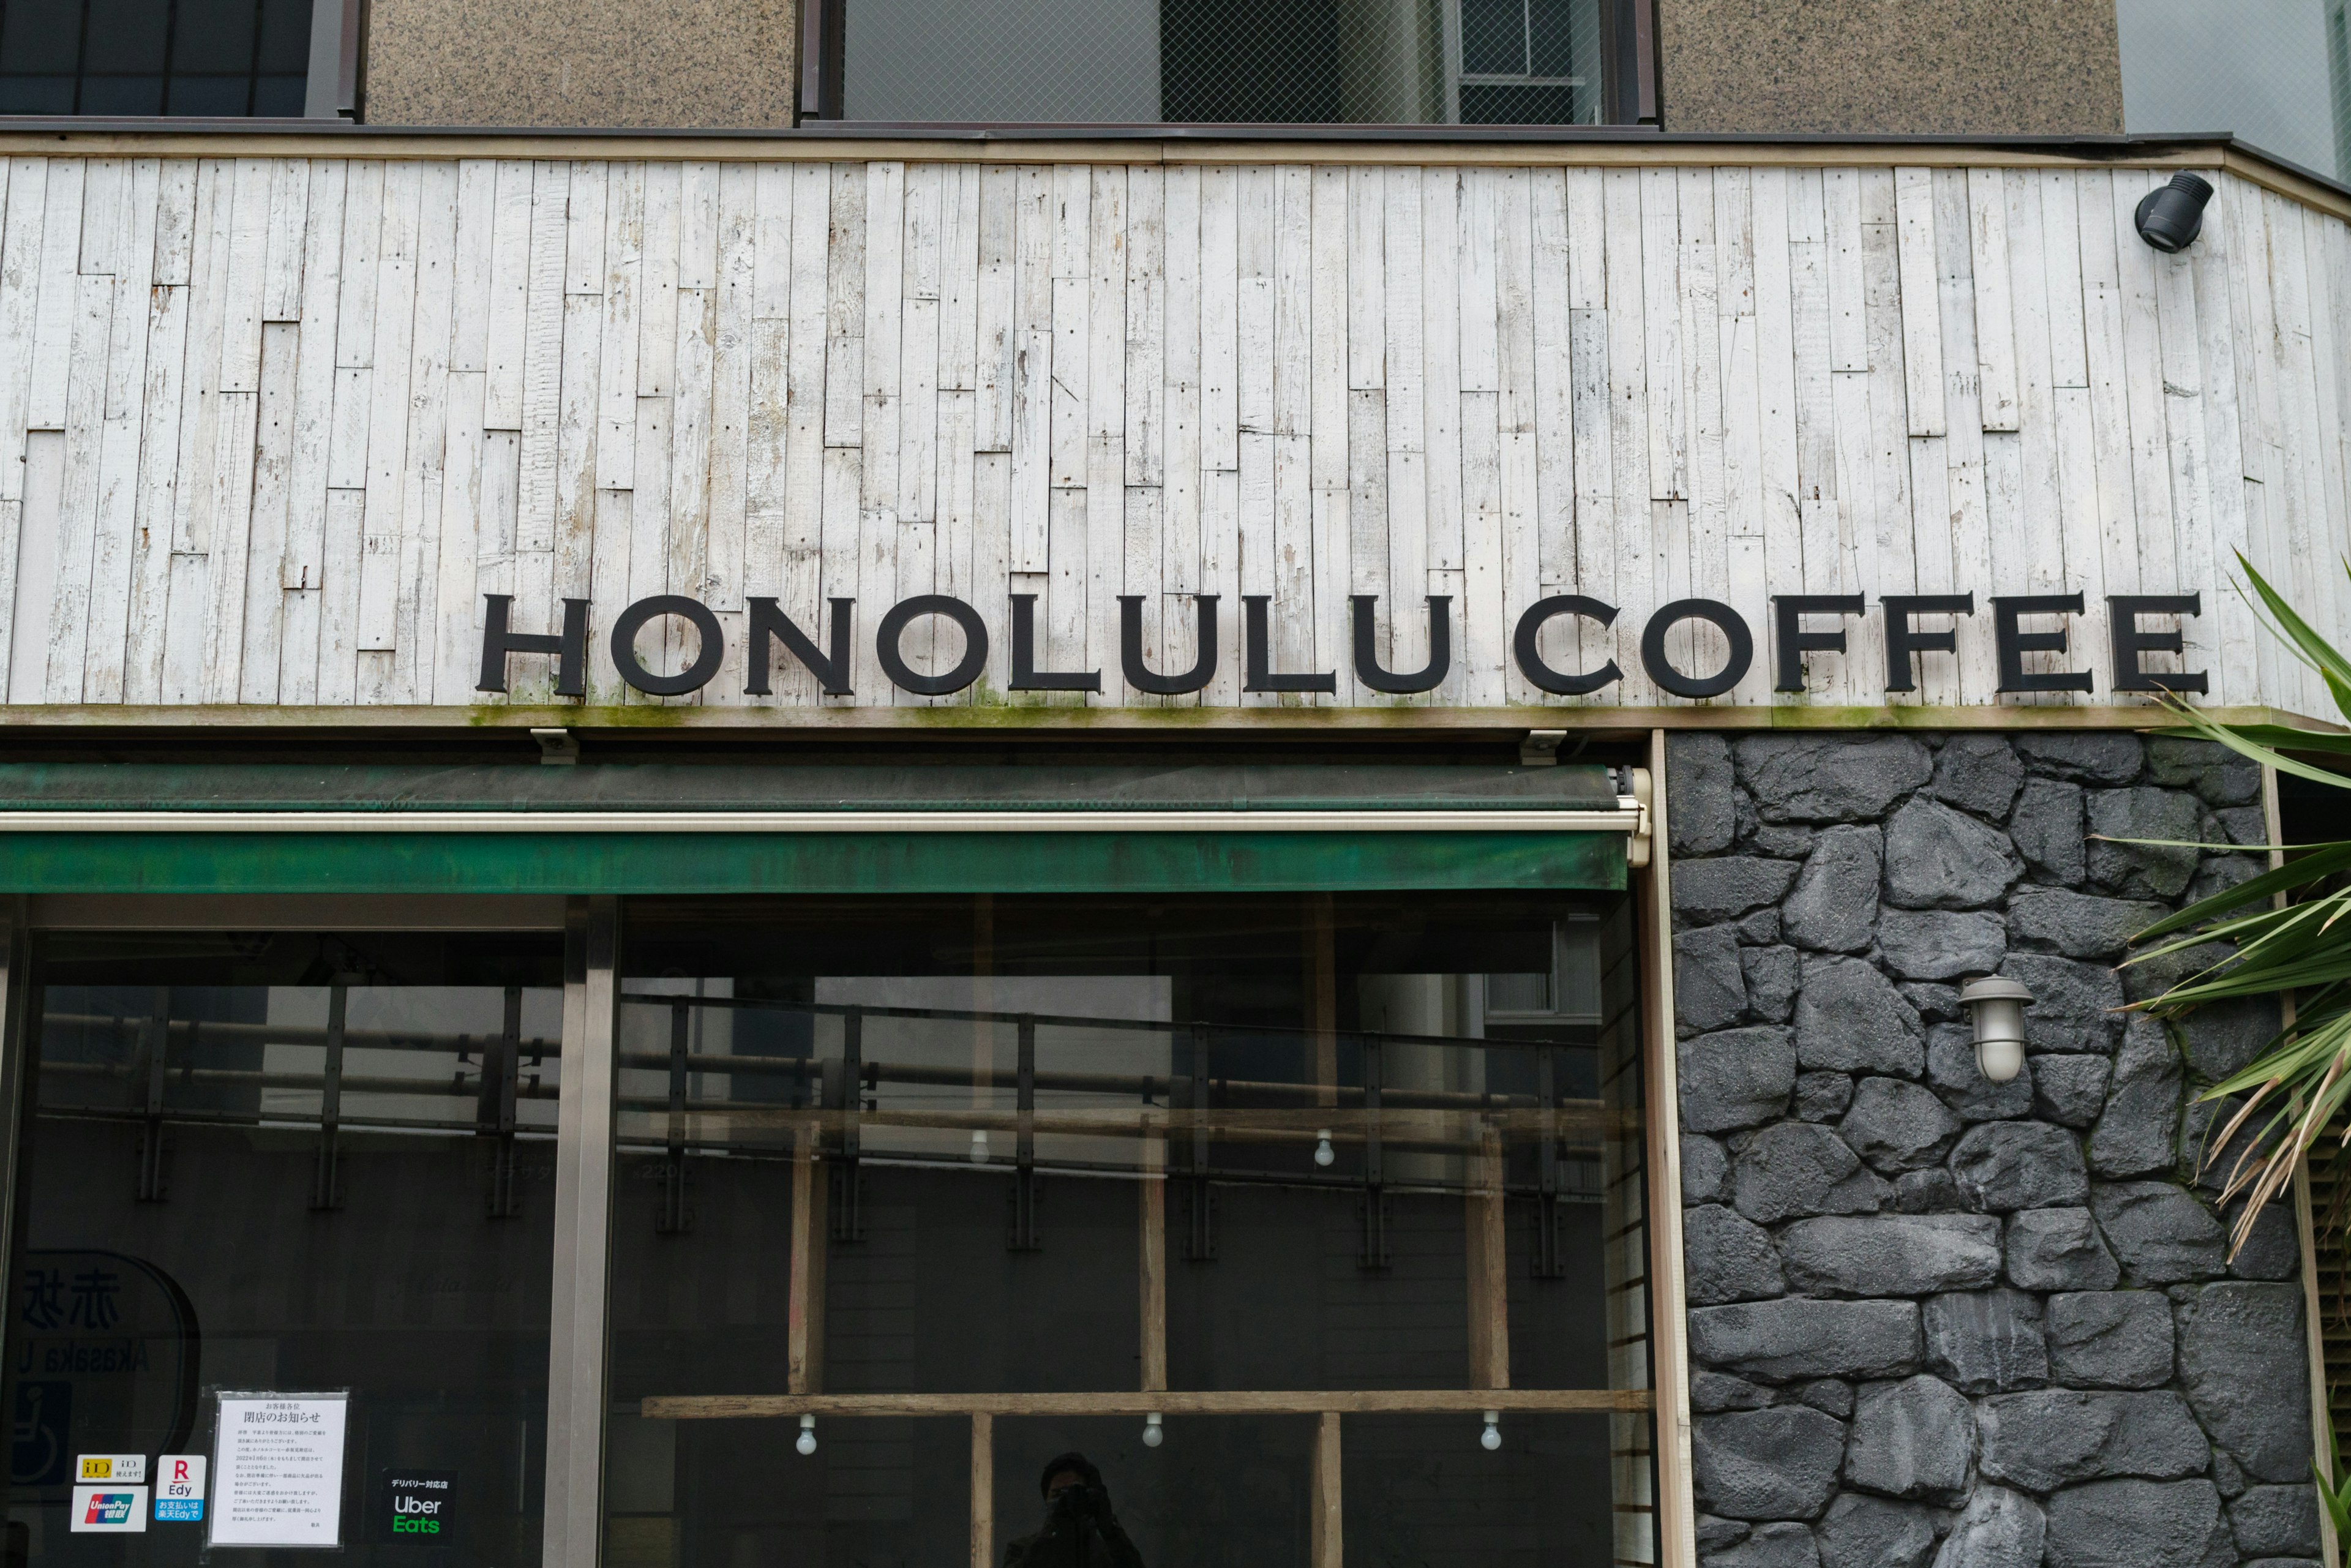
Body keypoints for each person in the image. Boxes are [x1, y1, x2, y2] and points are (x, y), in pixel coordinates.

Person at [1002, 1451, 1145, 1568]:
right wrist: (1052, 1531)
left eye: (1073, 1493)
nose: (1065, 1501)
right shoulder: (1021, 1549)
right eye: (1058, 1495)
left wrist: (1107, 1525)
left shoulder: (1106, 1552)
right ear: (1046, 1500)